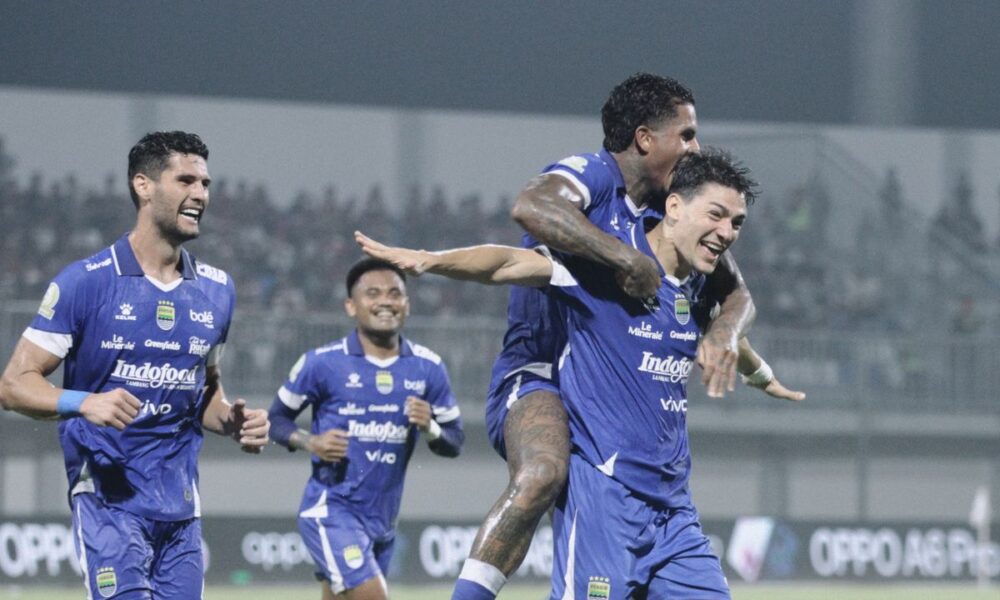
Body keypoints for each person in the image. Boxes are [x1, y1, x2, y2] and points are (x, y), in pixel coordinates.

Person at [357, 148, 787, 597]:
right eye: (716, 215)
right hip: (605, 501)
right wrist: (429, 260)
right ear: (674, 206)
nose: (727, 232)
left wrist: (760, 374)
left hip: (675, 513)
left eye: (737, 223)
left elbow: (732, 334)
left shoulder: (699, 289)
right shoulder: (608, 270)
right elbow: (508, 262)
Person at [446, 73, 758, 599]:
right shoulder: (593, 175)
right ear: (644, 138)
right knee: (544, 471)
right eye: (686, 135)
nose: (695, 148)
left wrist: (725, 334)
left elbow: (737, 294)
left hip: (607, 380)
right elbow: (531, 207)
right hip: (541, 369)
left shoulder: (671, 210)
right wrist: (624, 259)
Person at [0, 131, 270, 598]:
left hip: (181, 510)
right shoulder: (85, 283)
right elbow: (12, 385)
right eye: (185, 180)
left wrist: (232, 421)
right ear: (143, 185)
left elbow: (204, 392)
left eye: (205, 183)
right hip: (109, 503)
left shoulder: (217, 290)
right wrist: (85, 402)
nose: (200, 194)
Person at [267, 258, 464, 600]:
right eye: (373, 294)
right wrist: (310, 441)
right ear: (351, 306)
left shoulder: (428, 367)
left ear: (407, 304)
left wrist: (430, 427)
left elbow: (454, 440)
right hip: (332, 510)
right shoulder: (322, 363)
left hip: (383, 522)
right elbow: (275, 420)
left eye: (394, 294)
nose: (385, 302)